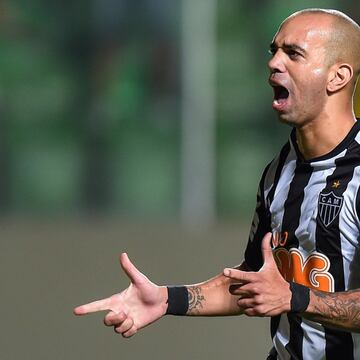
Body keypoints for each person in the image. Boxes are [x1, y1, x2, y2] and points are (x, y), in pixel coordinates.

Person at [74, 8, 360, 359]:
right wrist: (167, 299)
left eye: (294, 53)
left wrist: (295, 297)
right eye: (273, 50)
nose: (274, 63)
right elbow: (255, 278)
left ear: (338, 76)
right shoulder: (278, 170)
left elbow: (284, 293)